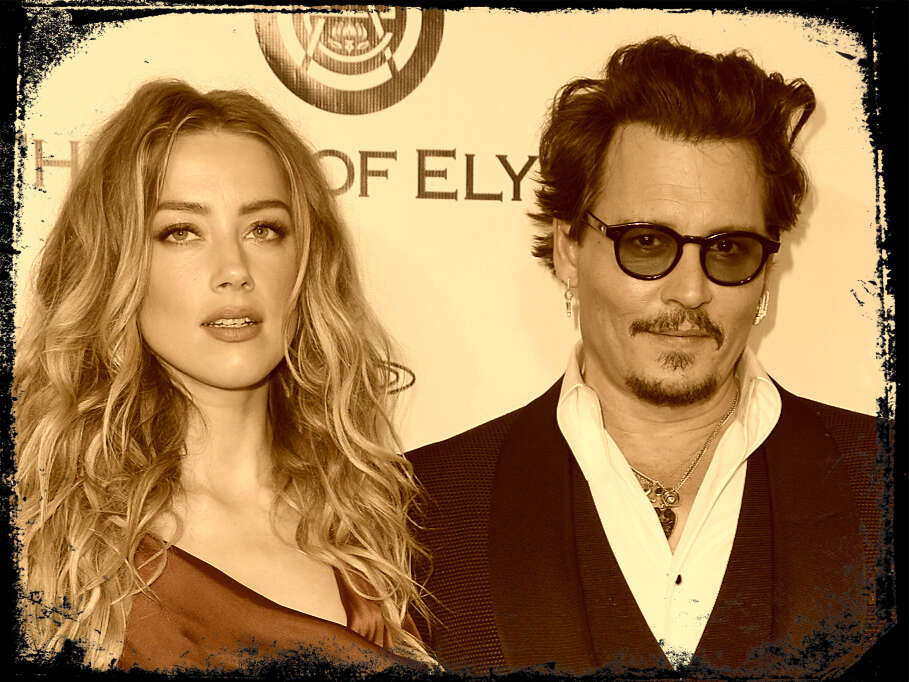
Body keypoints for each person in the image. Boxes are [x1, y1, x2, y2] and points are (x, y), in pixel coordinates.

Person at [408, 37, 893, 678]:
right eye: (645, 243)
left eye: (728, 249)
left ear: (767, 271)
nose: (690, 291)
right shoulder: (416, 511)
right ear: (568, 249)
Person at [14, 80, 430, 673]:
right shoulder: (47, 536)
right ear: (117, 264)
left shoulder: (374, 523)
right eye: (181, 232)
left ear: (306, 262)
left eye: (264, 229)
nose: (234, 269)